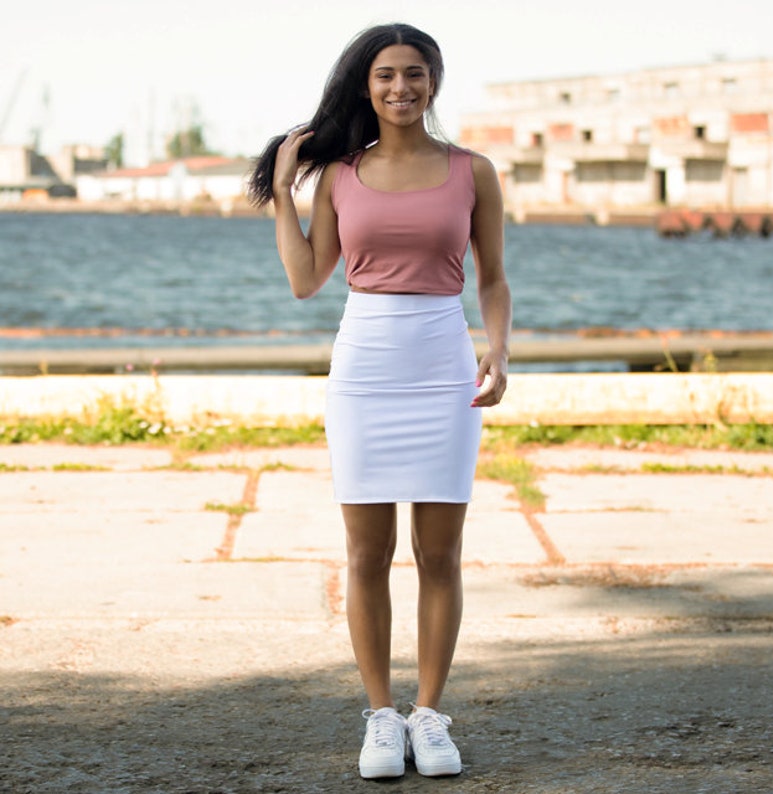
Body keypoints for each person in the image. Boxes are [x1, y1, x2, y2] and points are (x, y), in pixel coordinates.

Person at [249, 22, 511, 780]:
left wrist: (498, 346)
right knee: (368, 554)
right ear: (366, 87)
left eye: (415, 74)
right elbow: (306, 279)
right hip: (364, 368)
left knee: (440, 554)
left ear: (434, 81)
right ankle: (380, 716)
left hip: (442, 362)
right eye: (386, 76)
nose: (401, 87)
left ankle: (429, 716)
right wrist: (285, 194)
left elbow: (492, 278)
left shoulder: (474, 170)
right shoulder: (341, 174)